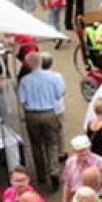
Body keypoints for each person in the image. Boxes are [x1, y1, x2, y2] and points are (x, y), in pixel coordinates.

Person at [18, 53, 67, 186]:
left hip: (32, 114)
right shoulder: (53, 77)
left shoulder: (24, 80)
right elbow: (59, 94)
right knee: (52, 143)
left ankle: (41, 174)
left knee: (36, 145)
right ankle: (54, 170)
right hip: (49, 112)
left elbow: (22, 100)